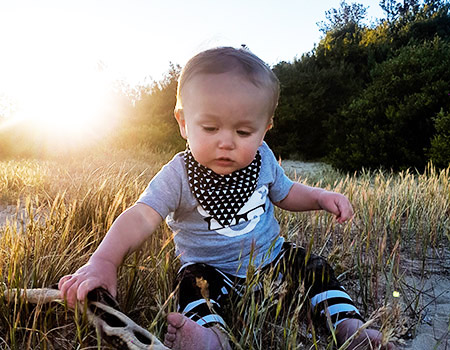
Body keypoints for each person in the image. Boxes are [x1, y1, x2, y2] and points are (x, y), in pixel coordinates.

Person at [59, 47, 395, 350]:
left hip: (272, 262)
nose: (226, 142)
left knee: (314, 268)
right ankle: (210, 337)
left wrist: (320, 197)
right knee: (190, 289)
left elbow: (287, 193)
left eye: (243, 132)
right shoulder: (178, 174)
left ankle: (349, 325)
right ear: (183, 123)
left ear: (264, 130)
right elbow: (141, 215)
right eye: (209, 128)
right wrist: (104, 260)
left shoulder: (263, 159)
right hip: (210, 270)